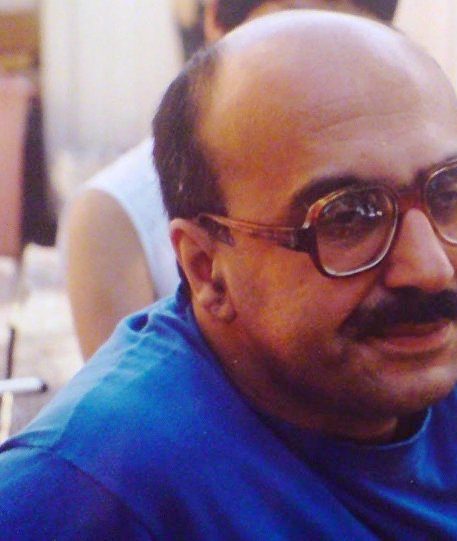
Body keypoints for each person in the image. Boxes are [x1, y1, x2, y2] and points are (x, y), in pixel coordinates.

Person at [3, 11, 457, 539]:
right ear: (205, 267)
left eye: (448, 191)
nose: (428, 267)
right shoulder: (89, 487)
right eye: (347, 216)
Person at [62, 0, 399, 360]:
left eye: (352, 37)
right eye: (290, 28)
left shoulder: (405, 176)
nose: (321, 64)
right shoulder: (115, 210)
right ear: (217, 23)